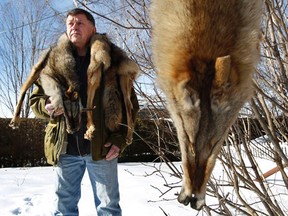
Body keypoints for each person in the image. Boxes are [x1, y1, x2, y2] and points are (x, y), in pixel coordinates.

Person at [29, 8, 139, 216]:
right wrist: (46, 107)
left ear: (93, 28)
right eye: (70, 23)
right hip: (65, 149)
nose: (74, 26)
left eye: (80, 22)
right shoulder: (54, 61)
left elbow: (130, 105)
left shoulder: (111, 60)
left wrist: (119, 139)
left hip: (101, 150)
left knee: (108, 209)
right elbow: (36, 100)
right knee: (63, 209)